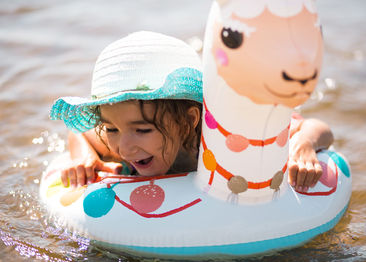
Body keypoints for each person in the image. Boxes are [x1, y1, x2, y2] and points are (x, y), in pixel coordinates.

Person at [50, 31, 333, 193]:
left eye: (143, 129)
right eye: (111, 129)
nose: (123, 147)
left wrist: (304, 144)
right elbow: (81, 135)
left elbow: (318, 128)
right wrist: (84, 157)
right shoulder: (124, 139)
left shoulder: (223, 135)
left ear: (188, 121)